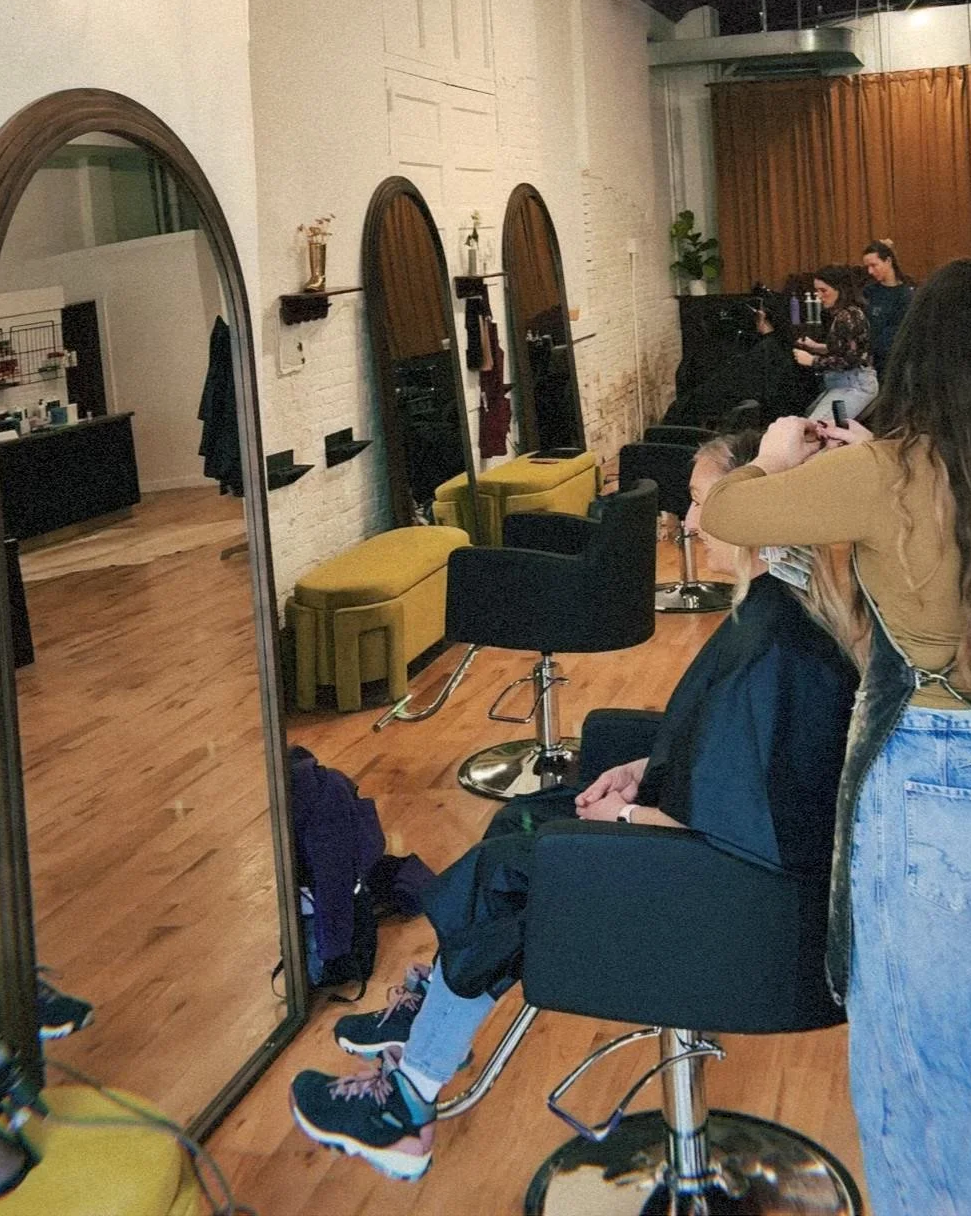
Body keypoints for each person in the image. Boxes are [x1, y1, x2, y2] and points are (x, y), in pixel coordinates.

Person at [288, 428, 859, 1180]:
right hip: (722, 879)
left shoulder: (784, 649)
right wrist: (642, 766)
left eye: (699, 505)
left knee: (520, 863)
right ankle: (437, 1009)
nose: (686, 527)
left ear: (757, 510)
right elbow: (727, 760)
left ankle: (406, 1105)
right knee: (525, 816)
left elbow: (754, 832)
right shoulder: (776, 616)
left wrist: (628, 817)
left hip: (739, 915)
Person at [702, 260, 971, 1216]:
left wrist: (779, 456)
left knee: (936, 1088)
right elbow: (963, 516)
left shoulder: (879, 477)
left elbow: (722, 514)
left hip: (938, 798)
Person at [793, 264, 876, 421]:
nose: (819, 296)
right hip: (847, 382)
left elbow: (850, 360)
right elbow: (846, 350)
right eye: (817, 290)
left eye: (823, 291)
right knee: (811, 421)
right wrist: (817, 347)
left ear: (840, 289)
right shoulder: (847, 314)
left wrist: (812, 360)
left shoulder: (848, 316)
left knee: (817, 428)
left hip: (854, 385)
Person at [861, 237, 914, 370]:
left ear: (888, 261)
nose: (870, 271)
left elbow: (897, 334)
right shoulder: (868, 291)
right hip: (870, 362)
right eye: (867, 267)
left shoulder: (906, 296)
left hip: (893, 362)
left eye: (874, 265)